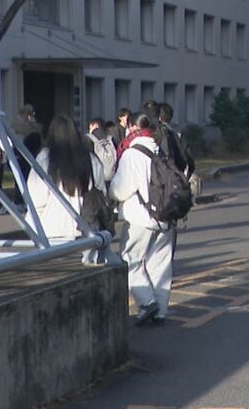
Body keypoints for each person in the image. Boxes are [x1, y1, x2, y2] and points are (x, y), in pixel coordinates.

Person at [109, 113, 175, 327]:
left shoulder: (132, 154)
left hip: (141, 218)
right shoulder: (160, 149)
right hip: (166, 216)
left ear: (132, 128)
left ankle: (147, 302)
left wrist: (111, 192)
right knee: (160, 264)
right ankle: (160, 311)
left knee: (130, 260)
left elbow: (120, 190)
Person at [27, 115, 105, 253]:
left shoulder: (45, 159)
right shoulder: (90, 159)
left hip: (51, 230)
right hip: (87, 230)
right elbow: (101, 192)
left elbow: (35, 199)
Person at [158, 102, 196, 178]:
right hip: (175, 180)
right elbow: (189, 162)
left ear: (159, 117)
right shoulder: (178, 136)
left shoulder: (154, 136)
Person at [87, 118, 117, 184]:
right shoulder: (111, 139)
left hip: (95, 180)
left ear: (94, 125)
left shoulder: (88, 139)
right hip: (112, 178)